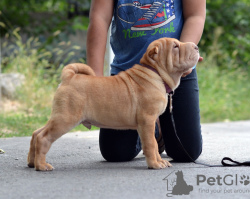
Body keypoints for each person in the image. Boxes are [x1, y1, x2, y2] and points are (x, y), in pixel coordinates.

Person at [86, 0, 206, 163]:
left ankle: (159, 126)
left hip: (174, 72)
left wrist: (183, 57)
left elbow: (195, 15)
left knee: (186, 152)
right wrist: (94, 81)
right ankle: (152, 127)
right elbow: (99, 18)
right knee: (116, 153)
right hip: (127, 75)